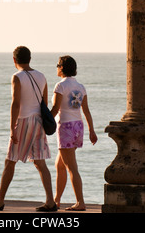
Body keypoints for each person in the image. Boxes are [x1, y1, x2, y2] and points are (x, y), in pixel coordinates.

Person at [0, 46, 57, 212]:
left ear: (14, 60)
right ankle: (51, 201)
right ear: (30, 58)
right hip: (38, 121)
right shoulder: (41, 76)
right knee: (40, 163)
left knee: (10, 161)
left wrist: (12, 128)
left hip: (23, 121)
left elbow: (16, 103)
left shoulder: (17, 77)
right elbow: (44, 103)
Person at [51, 55, 97, 211]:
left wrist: (42, 123)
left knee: (71, 167)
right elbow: (86, 110)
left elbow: (56, 109)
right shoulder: (80, 87)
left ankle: (80, 202)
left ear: (62, 68)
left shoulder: (60, 86)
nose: (56, 67)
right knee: (60, 165)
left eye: (58, 65)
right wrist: (91, 130)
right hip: (78, 127)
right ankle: (56, 200)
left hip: (66, 128)